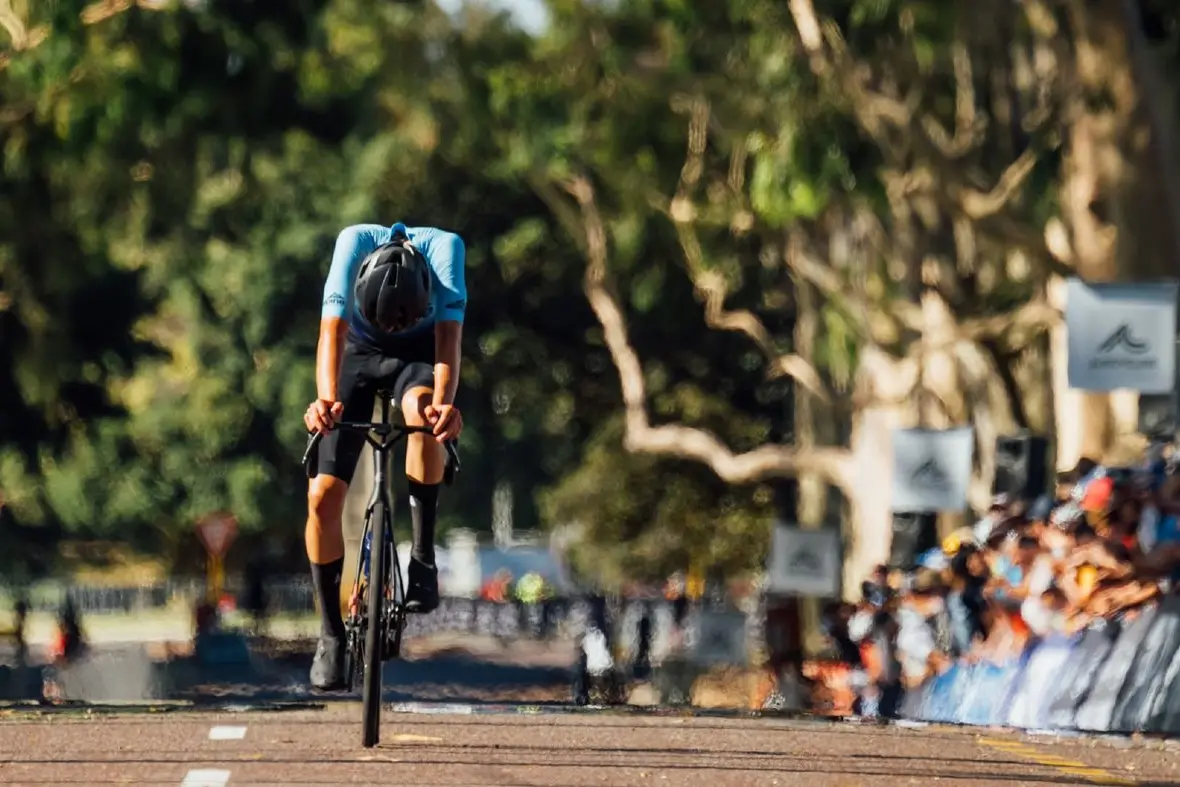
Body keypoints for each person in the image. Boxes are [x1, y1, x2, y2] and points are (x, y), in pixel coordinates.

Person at [303, 222, 467, 691]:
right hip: (358, 349)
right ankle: (331, 635)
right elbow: (330, 334)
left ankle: (423, 558)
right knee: (322, 497)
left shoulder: (445, 252)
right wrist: (325, 400)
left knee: (423, 415)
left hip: (419, 354)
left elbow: (449, 343)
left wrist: (445, 405)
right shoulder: (352, 244)